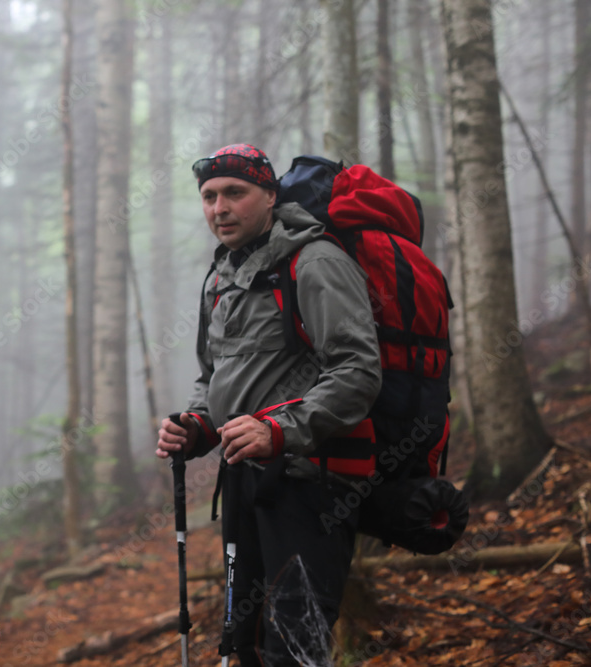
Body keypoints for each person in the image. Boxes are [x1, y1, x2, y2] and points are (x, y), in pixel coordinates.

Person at [156, 144, 381, 666]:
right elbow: (215, 377)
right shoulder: (222, 277)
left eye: (235, 193)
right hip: (245, 482)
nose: (220, 208)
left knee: (295, 647)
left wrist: (279, 430)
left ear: (270, 196)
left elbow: (358, 370)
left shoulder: (315, 261)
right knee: (245, 641)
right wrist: (195, 426)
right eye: (209, 197)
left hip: (310, 485)